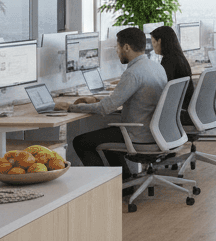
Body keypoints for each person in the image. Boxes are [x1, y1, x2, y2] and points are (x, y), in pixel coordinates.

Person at [58, 27, 168, 174]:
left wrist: (70, 107)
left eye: (117, 47)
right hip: (156, 132)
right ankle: (125, 182)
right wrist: (95, 99)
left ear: (126, 47)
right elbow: (119, 98)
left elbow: (106, 108)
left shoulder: (132, 73)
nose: (117, 51)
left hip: (139, 135)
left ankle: (103, 185)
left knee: (81, 142)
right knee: (110, 136)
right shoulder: (156, 67)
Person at [151, 26, 195, 124]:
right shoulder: (180, 58)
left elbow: (162, 88)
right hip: (185, 108)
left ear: (160, 41)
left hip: (178, 112)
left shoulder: (168, 61)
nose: (153, 46)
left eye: (153, 42)